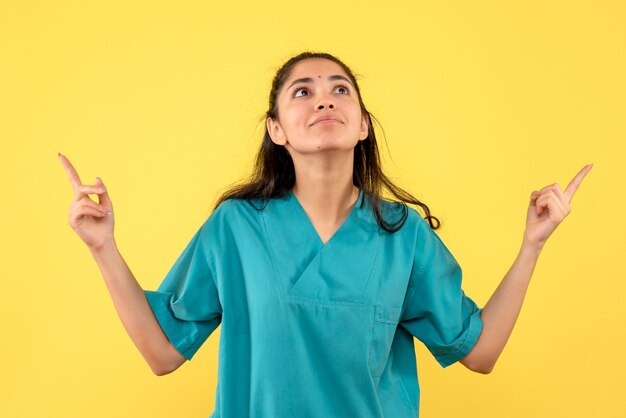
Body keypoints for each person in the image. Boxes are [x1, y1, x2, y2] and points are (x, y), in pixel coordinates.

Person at [59, 51, 592, 417]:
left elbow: (479, 352)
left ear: (362, 124)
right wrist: (103, 248)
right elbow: (162, 353)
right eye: (303, 92)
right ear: (276, 129)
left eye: (341, 90)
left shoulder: (402, 235)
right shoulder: (236, 228)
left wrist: (533, 245)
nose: (324, 100)